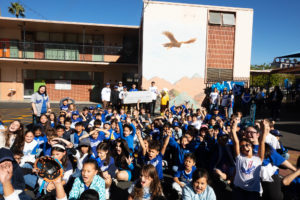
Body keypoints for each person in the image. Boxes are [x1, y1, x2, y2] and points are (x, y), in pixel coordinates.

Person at [231, 118, 268, 200]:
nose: (245, 147)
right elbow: (236, 141)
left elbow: (262, 141)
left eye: (247, 145)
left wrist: (263, 129)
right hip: (239, 189)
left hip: (253, 191)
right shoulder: (239, 157)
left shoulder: (258, 158)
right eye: (242, 146)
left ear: (251, 146)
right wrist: (233, 128)